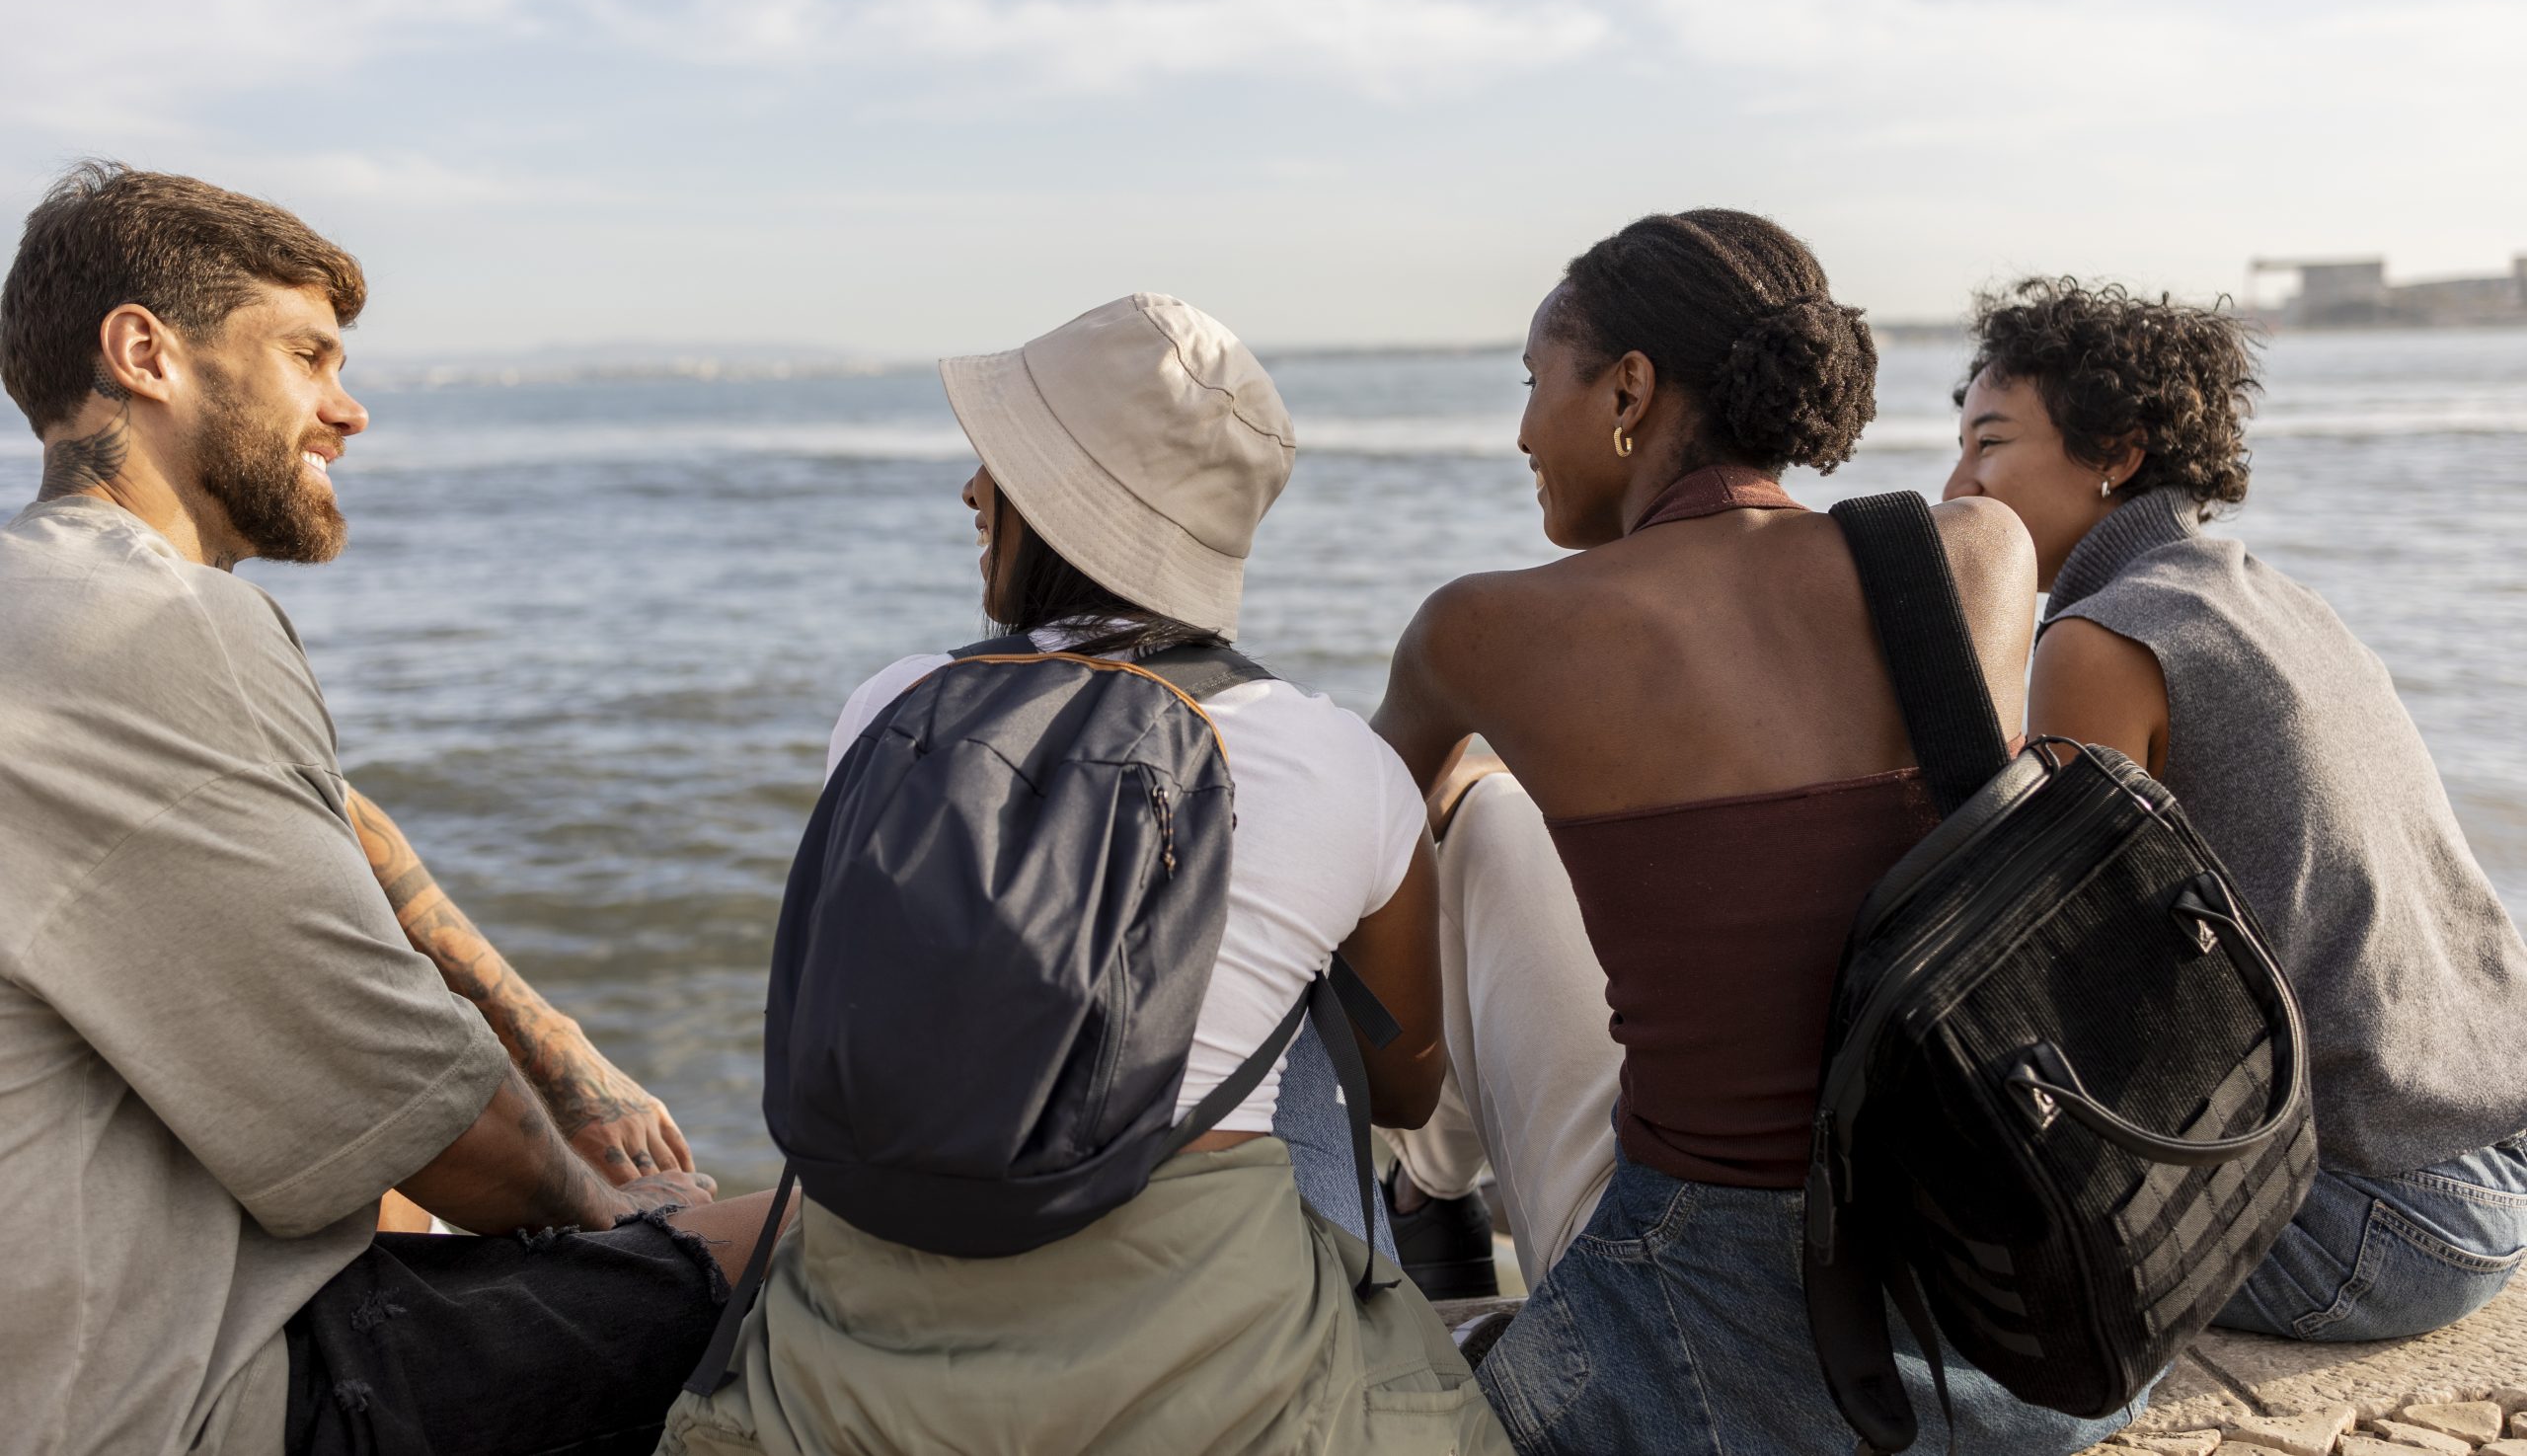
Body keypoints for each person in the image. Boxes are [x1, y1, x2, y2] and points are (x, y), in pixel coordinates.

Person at [0, 162, 784, 1456]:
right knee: (790, 1242)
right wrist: (627, 1206)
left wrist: (554, 1038)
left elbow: (338, 818)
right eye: (308, 354)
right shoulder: (163, 625)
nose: (346, 409)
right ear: (144, 352)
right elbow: (442, 1124)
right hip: (174, 1402)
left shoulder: (49, 613)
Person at [660, 293, 1508, 1456]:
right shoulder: (1333, 761)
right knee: (1302, 1006)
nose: (970, 493)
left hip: (850, 1372)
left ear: (1059, 506)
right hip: (1205, 1375)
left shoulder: (887, 709)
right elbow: (1409, 1095)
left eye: (996, 465)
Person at [1370, 211, 2140, 1452]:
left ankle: (1414, 1202)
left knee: (1470, 821)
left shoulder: (1478, 630)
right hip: (2001, 1309)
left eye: (1532, 385)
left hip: (1711, 1325)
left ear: (1628, 389)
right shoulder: (1976, 554)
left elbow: (1340, 868)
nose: (1520, 431)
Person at [1945, 277, 2527, 1342]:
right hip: (2498, 1165)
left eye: (1988, 445)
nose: (1956, 483)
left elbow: (2067, 969)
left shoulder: (2103, 635)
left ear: (2115, 452)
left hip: (2373, 1230)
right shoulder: (2271, 598)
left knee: (1946, 1237)